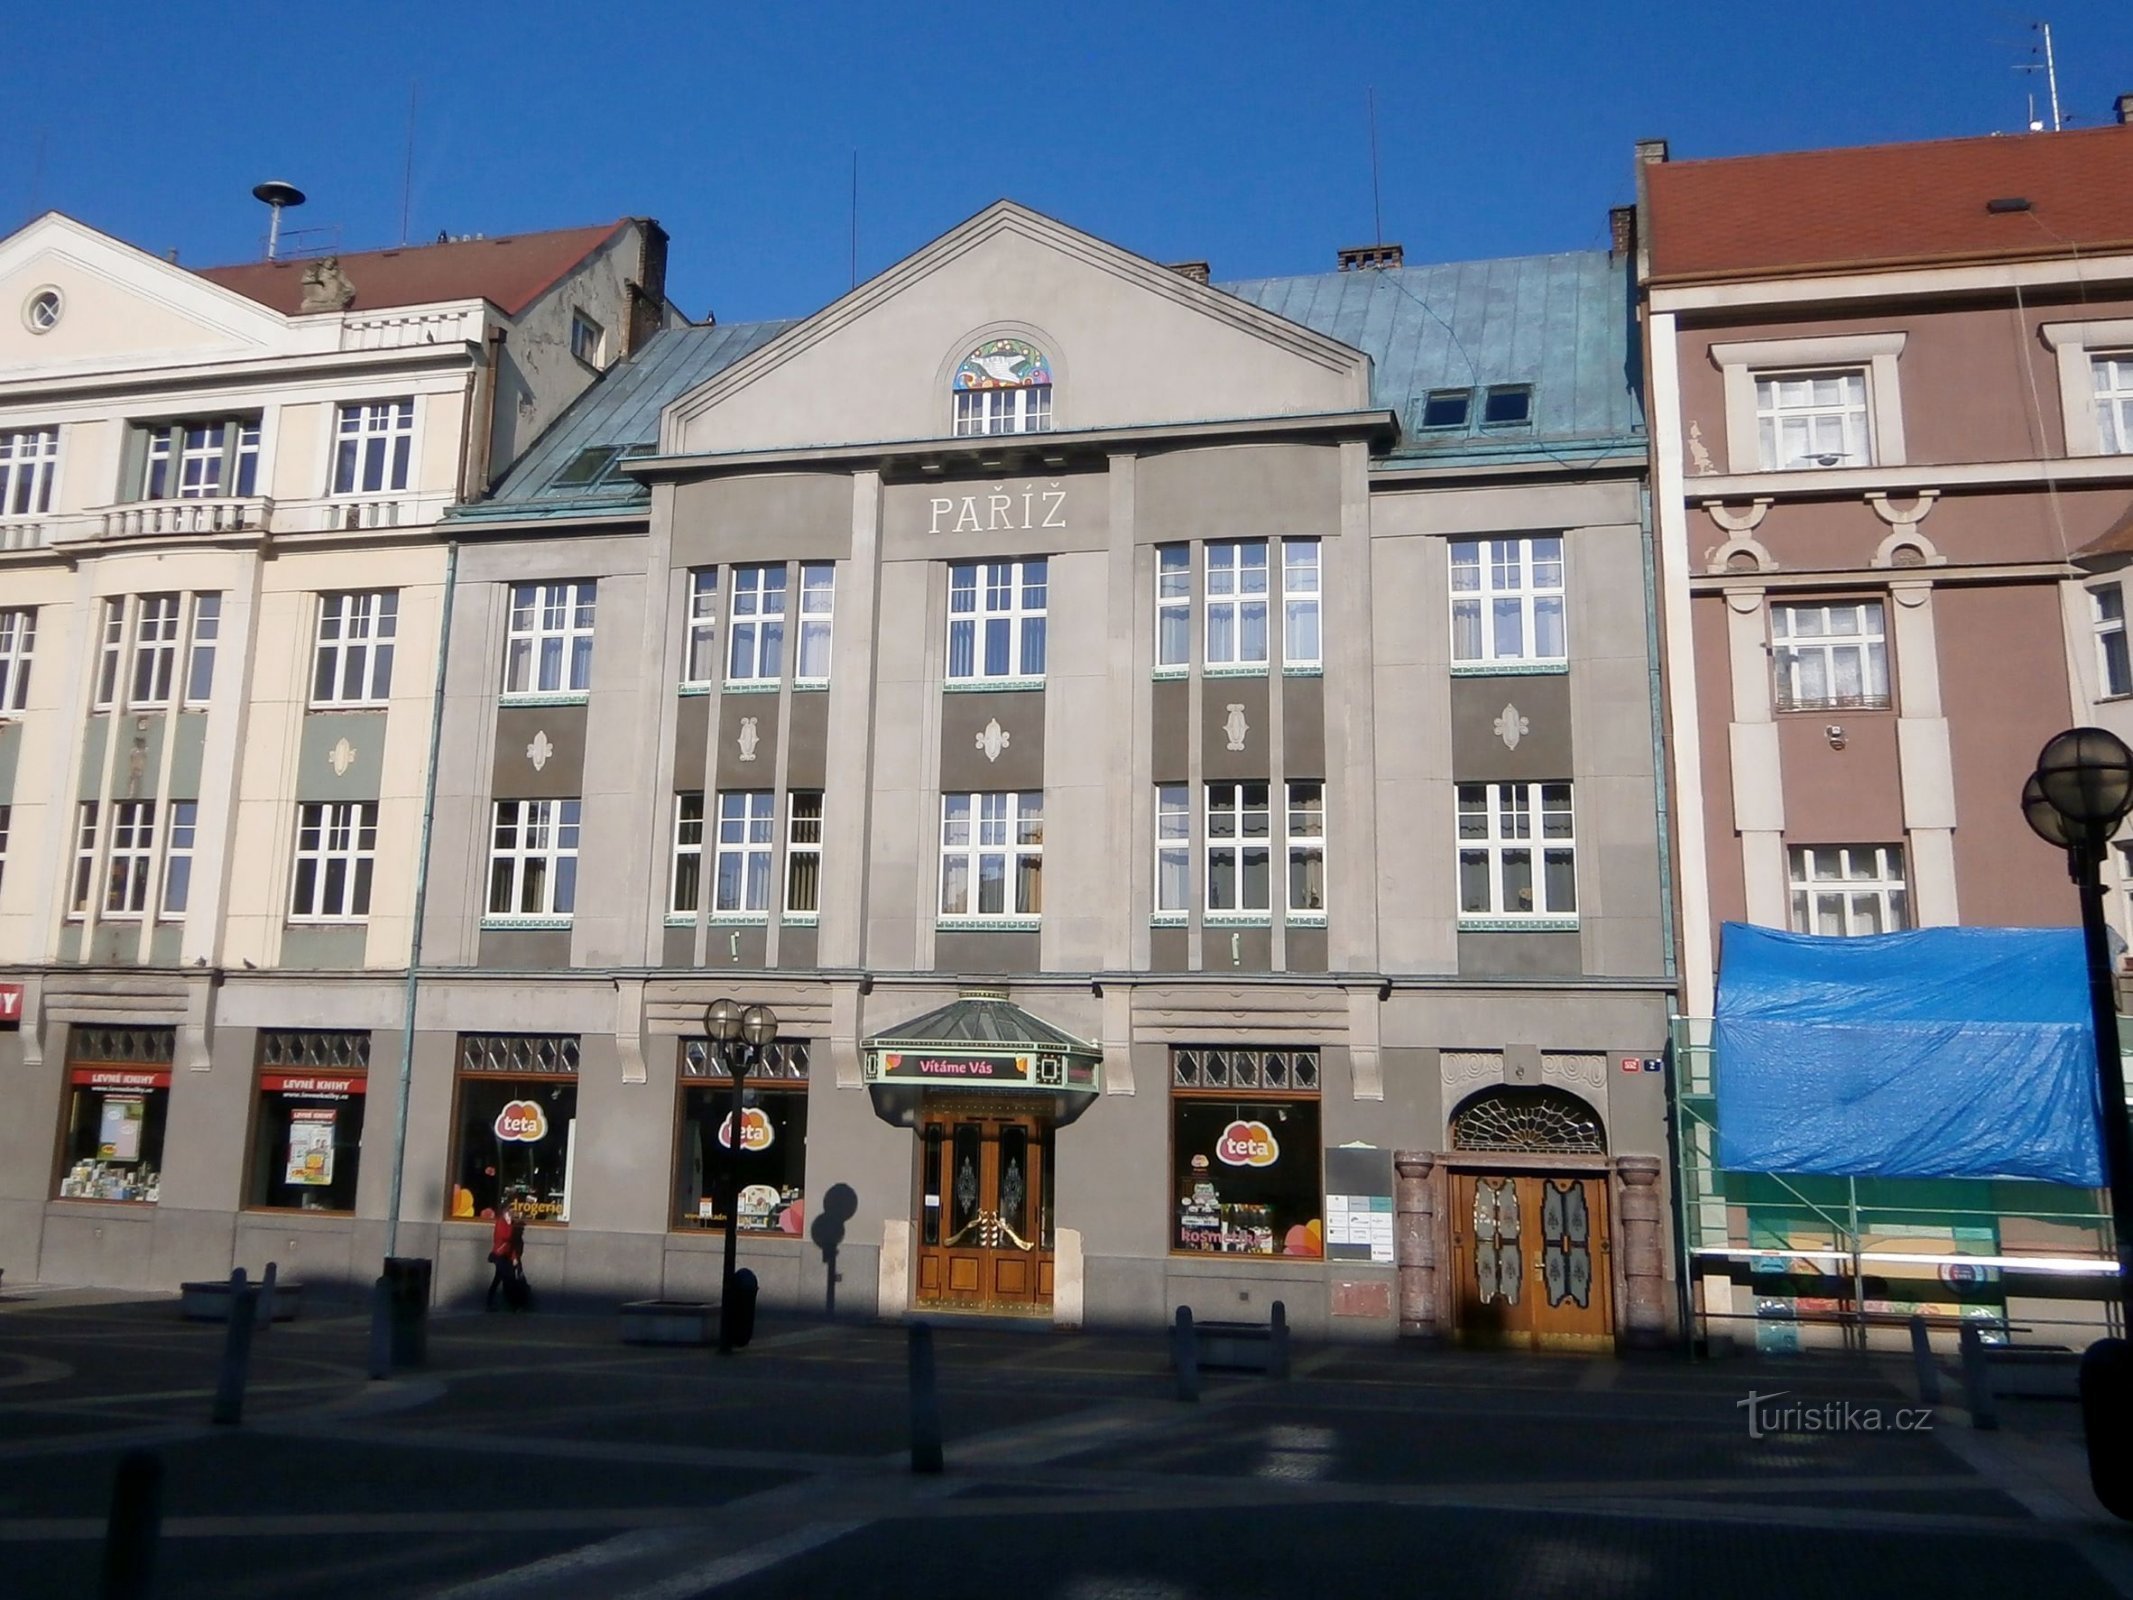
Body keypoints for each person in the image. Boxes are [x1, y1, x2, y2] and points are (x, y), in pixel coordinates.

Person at [485, 1200, 519, 1312]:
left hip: (507, 1256)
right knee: (507, 1278)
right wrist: (509, 1224)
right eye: (510, 1210)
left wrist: (514, 1257)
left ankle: (491, 1302)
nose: (511, 1213)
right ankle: (510, 1304)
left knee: (499, 1279)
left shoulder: (509, 1223)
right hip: (499, 1255)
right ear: (505, 1211)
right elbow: (506, 1237)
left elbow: (511, 1243)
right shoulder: (501, 1222)